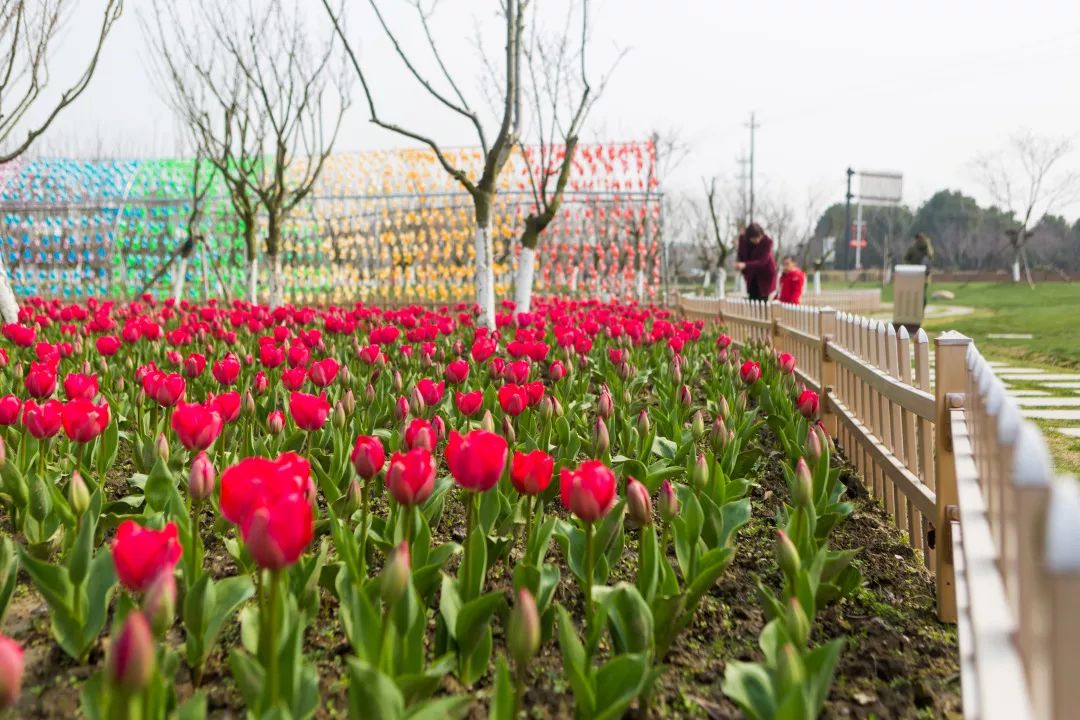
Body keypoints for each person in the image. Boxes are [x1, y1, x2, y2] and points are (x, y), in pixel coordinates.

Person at [734, 222, 777, 302]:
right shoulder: (743, 239)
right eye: (754, 238)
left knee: (762, 301)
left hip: (765, 275)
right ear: (748, 237)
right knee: (752, 300)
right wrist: (740, 265)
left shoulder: (767, 242)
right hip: (751, 275)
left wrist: (745, 265)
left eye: (759, 237)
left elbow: (763, 262)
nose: (757, 240)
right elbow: (741, 255)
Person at [904, 232, 934, 307]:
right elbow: (931, 257)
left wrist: (910, 264)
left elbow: (906, 258)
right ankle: (921, 308)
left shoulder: (914, 248)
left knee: (915, 292)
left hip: (915, 274)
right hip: (925, 275)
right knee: (922, 292)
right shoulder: (928, 248)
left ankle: (916, 308)